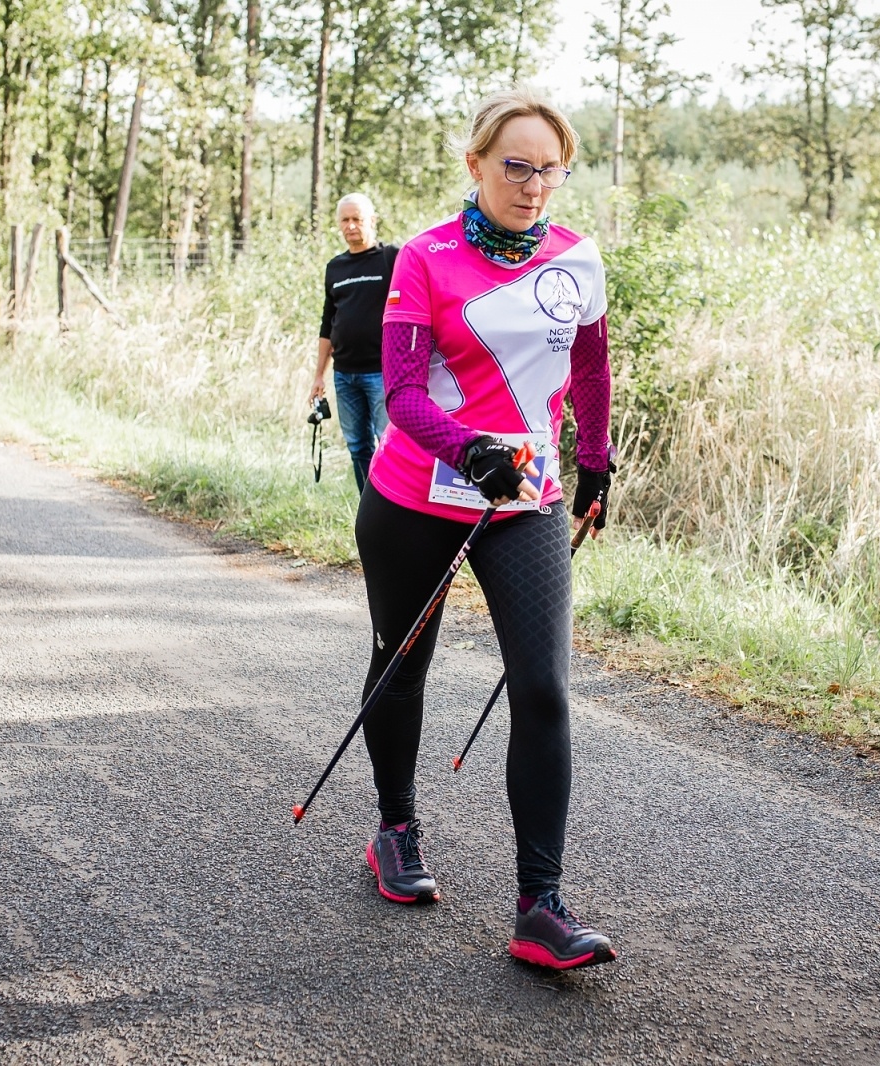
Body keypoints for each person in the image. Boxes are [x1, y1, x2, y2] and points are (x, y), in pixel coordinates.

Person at [353, 88, 618, 970]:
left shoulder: (578, 260)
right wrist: (470, 453)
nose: (534, 183)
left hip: (526, 498)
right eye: (517, 164)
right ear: (475, 165)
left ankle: (540, 906)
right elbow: (402, 395)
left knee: (542, 685)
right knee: (404, 663)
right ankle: (396, 828)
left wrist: (597, 460)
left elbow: (587, 366)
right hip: (418, 492)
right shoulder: (424, 258)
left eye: (551, 168)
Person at [310, 193, 397, 493]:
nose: (350, 226)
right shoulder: (335, 268)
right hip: (344, 375)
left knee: (388, 445)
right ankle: (368, 507)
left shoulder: (392, 259)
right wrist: (319, 375)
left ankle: (392, 507)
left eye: (357, 219)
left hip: (382, 373)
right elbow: (327, 323)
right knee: (358, 447)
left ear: (371, 221)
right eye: (344, 220)